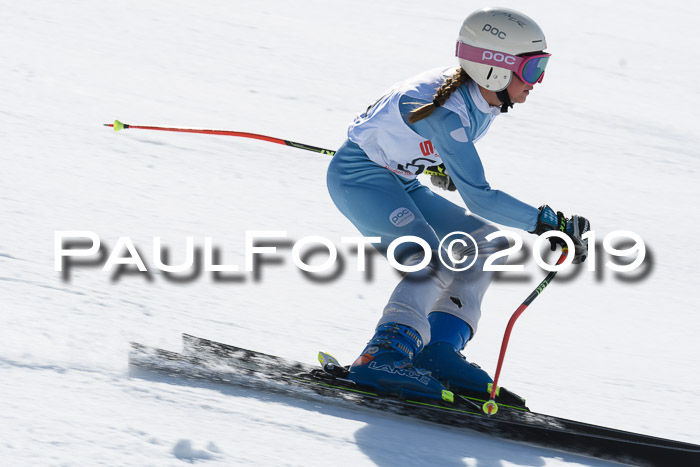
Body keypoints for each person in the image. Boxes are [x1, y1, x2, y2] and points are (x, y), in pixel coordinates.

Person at [326, 7, 590, 402]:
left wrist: (435, 163)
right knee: (428, 256)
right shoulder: (447, 110)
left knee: (487, 243)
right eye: (533, 69)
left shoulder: (480, 98)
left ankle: (437, 350)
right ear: (495, 68)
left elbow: (422, 141)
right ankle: (383, 354)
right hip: (360, 179)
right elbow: (479, 195)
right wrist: (545, 223)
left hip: (400, 180)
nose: (537, 81)